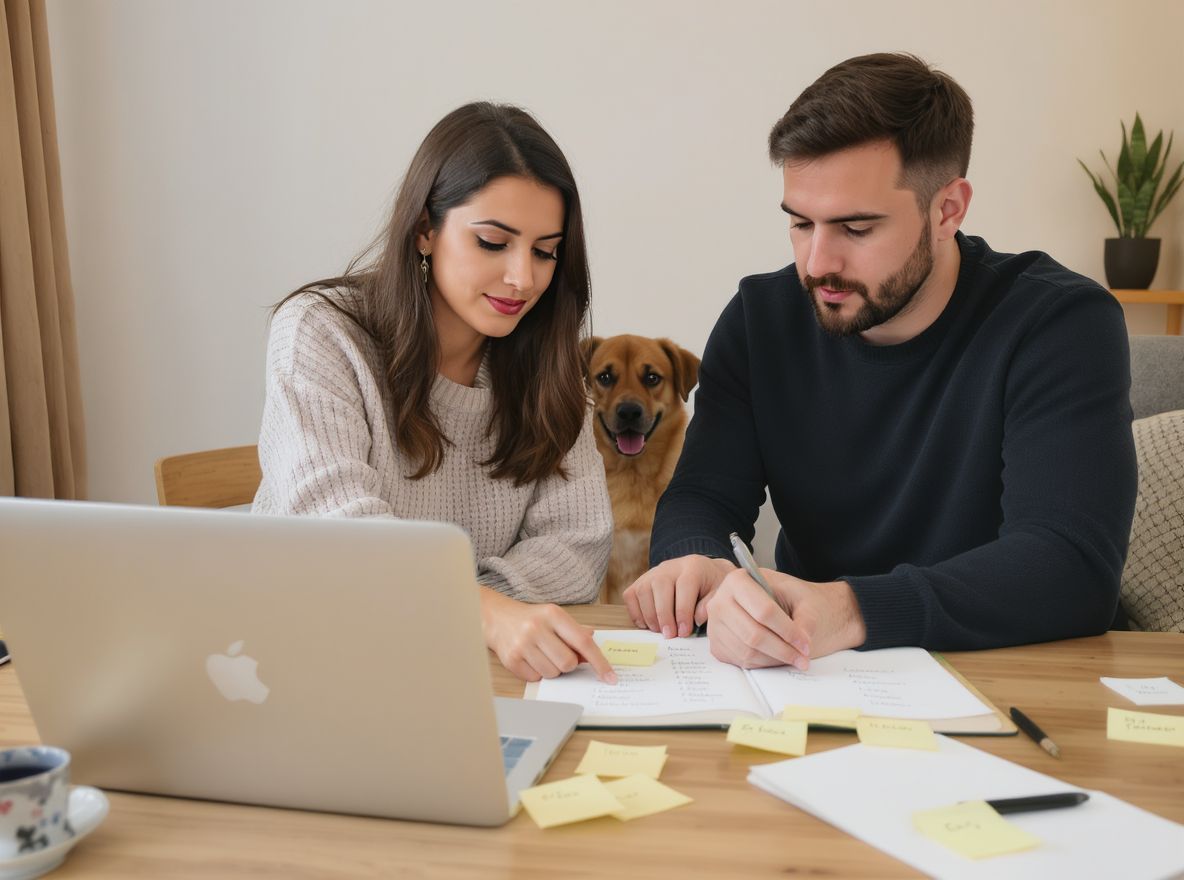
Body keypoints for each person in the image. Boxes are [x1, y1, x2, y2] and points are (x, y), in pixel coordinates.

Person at [624, 53, 1137, 670]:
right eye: (800, 223)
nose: (816, 264)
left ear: (947, 210)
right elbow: (702, 494)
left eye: (856, 229)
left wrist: (852, 608)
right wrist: (697, 564)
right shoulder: (761, 318)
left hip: (1009, 670)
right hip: (813, 672)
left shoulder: (1059, 324)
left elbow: (1070, 564)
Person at [252, 102, 616, 685]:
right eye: (494, 243)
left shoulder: (548, 371)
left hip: (455, 671)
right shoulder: (321, 333)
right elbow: (330, 535)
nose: (524, 278)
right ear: (425, 229)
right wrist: (483, 611)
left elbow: (576, 549)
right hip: (303, 662)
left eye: (545, 251)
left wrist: (453, 607)